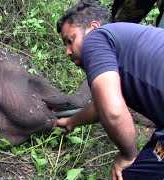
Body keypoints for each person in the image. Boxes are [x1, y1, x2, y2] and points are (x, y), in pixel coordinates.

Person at [53, 0, 164, 179]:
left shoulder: (96, 38)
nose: (67, 51)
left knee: (130, 175)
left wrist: (128, 155)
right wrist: (71, 121)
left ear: (93, 26)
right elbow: (101, 106)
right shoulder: (129, 45)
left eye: (70, 41)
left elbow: (112, 112)